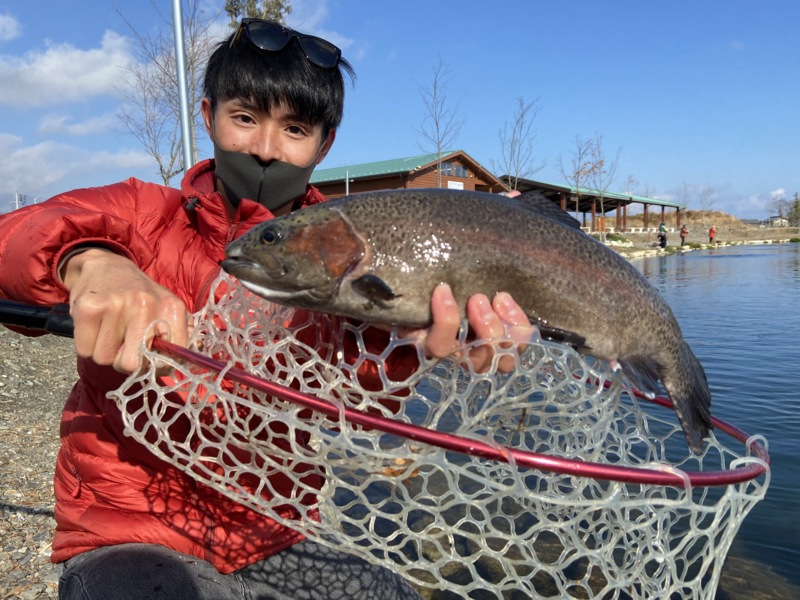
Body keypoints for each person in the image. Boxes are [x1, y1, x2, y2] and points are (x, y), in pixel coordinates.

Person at [0, 19, 534, 600]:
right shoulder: (140, 212)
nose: (263, 148)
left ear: (325, 144)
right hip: (129, 527)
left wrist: (422, 348)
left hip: (273, 528)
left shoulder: (353, 249)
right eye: (245, 118)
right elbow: (19, 235)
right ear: (208, 116)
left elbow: (361, 395)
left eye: (295, 129)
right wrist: (94, 261)